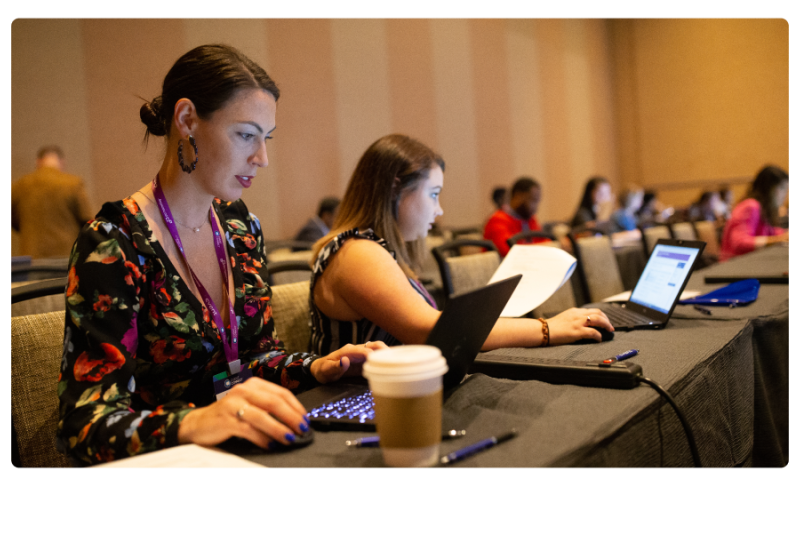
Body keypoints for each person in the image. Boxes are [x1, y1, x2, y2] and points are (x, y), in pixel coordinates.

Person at [57, 45, 386, 467]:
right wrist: (196, 423)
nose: (261, 158)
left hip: (244, 447)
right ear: (187, 120)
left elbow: (254, 356)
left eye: (265, 139)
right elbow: (83, 424)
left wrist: (318, 367)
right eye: (246, 135)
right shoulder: (113, 242)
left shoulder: (239, 226)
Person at [309, 134, 613, 358]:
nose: (439, 210)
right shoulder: (356, 252)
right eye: (433, 194)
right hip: (357, 405)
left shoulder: (374, 249)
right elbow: (432, 330)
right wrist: (548, 329)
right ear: (395, 189)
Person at [11, 146, 95, 259]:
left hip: (32, 256)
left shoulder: (20, 186)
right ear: (61, 162)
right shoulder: (73, 184)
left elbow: (12, 219)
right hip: (66, 255)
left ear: (38, 161)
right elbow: (87, 221)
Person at [719, 165, 789, 261]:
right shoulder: (750, 206)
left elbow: (772, 232)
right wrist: (779, 239)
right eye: (782, 188)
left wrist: (785, 235)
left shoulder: (761, 208)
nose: (785, 194)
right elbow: (739, 243)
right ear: (770, 188)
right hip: (733, 269)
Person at [483, 177, 550, 257]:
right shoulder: (497, 220)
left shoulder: (529, 219)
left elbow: (544, 241)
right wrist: (547, 247)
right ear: (518, 196)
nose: (535, 208)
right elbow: (510, 251)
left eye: (537, 201)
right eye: (533, 200)